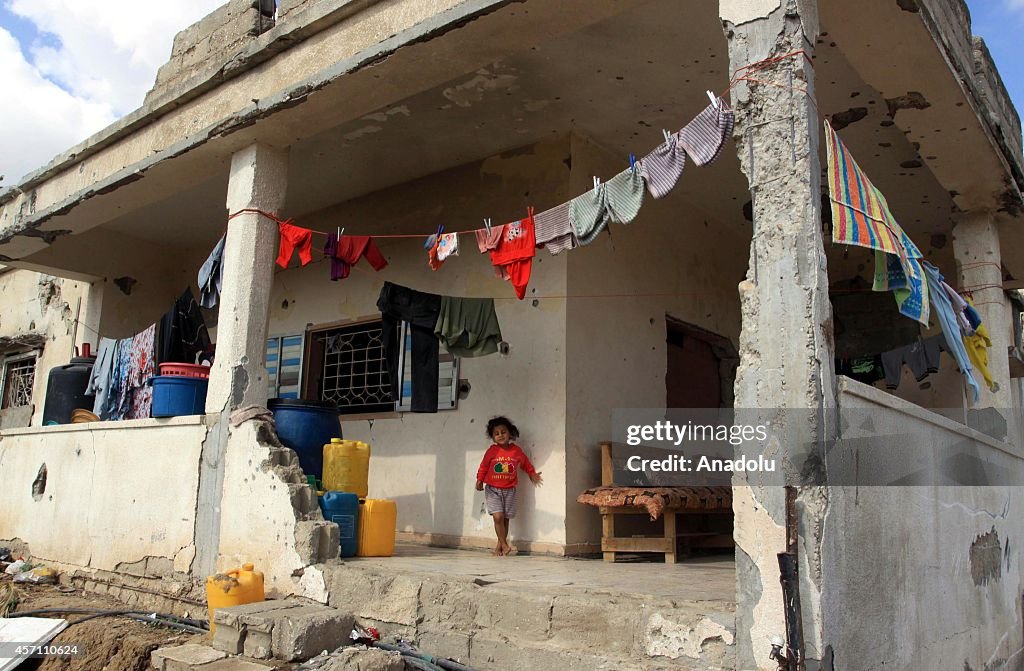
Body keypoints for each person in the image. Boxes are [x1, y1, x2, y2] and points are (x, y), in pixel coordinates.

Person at [475, 416, 542, 556]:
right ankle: (505, 544)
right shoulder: (492, 451)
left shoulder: (516, 451)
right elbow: (483, 466)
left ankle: (499, 546)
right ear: (493, 437)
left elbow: (525, 463)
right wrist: (479, 480)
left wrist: (532, 473)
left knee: (505, 518)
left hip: (510, 489)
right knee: (498, 517)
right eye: (496, 433)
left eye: (503, 432)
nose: (500, 435)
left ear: (510, 433)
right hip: (493, 489)